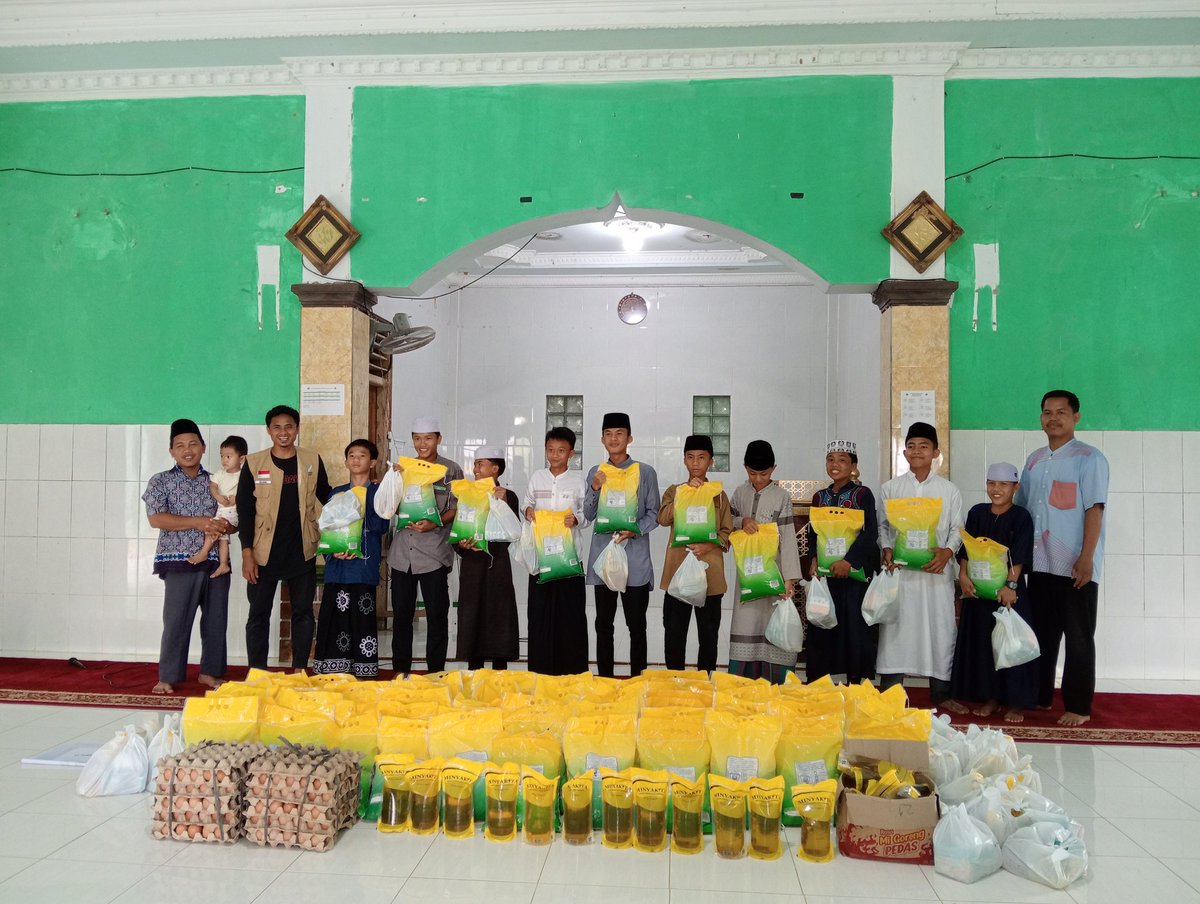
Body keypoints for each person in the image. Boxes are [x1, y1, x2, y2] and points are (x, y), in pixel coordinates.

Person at [1015, 390, 1109, 727]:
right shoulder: (1034, 460)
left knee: (1079, 636)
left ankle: (1079, 706)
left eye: (1061, 412)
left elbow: (1094, 509)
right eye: (1047, 412)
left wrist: (1087, 558)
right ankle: (1040, 696)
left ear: (1075, 417)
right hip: (1040, 564)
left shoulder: (1089, 458)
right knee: (1041, 633)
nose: (1053, 418)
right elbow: (1023, 511)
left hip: (1074, 565)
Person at [142, 419, 234, 694]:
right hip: (178, 561)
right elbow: (156, 519)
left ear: (203, 447)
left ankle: (210, 673)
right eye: (180, 445)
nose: (187, 450)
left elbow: (233, 517)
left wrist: (226, 526)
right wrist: (198, 522)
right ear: (171, 451)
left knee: (216, 620)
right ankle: (168, 676)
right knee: (176, 621)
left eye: (193, 444)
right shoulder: (160, 481)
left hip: (216, 560)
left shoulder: (217, 481)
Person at [877, 422, 964, 708]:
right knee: (896, 630)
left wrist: (947, 553)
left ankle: (942, 694)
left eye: (924, 446)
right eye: (911, 446)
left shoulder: (948, 490)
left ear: (936, 452)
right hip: (900, 575)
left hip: (935, 574)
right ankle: (891, 694)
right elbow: (883, 527)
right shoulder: (891, 488)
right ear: (904, 452)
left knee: (940, 630)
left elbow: (957, 528)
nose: (917, 451)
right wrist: (887, 548)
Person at [237, 404, 331, 670]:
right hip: (263, 553)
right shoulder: (254, 463)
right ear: (268, 430)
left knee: (303, 613)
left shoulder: (312, 460)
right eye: (277, 427)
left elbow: (328, 496)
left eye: (289, 426)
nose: (283, 432)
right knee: (258, 614)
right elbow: (245, 511)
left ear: (297, 429)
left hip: (302, 550)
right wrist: (247, 553)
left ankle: (300, 668)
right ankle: (257, 672)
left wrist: (359, 493)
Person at [373, 416, 463, 674]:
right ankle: (401, 672)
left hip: (434, 553)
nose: (422, 444)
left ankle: (436, 673)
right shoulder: (403, 467)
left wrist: (435, 523)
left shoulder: (451, 470)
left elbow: (457, 508)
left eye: (428, 438)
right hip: (402, 554)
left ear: (438, 439)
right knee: (402, 617)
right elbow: (389, 506)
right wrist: (388, 483)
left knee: (437, 617)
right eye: (417, 438)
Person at [951, 462, 1039, 722]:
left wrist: (1011, 586)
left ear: (1015, 487)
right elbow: (967, 548)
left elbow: (1019, 554)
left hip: (1007, 592)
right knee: (984, 644)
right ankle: (990, 697)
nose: (996, 489)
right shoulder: (977, 512)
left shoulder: (1021, 516)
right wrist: (963, 576)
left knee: (1011, 644)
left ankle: (1016, 703)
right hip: (978, 592)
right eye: (992, 483)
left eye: (1003, 484)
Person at [583, 412, 661, 678]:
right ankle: (605, 680)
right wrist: (595, 488)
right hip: (604, 559)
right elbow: (588, 514)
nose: (614, 439)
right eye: (608, 434)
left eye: (619, 434)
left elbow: (654, 513)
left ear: (629, 438)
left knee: (636, 625)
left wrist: (635, 529)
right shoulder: (596, 472)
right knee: (603, 624)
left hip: (635, 559)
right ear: (602, 439)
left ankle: (638, 681)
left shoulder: (645, 472)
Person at [727, 440, 804, 683]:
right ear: (745, 468)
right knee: (746, 623)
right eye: (753, 473)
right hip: (747, 575)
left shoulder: (782, 497)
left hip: (775, 574)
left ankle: (776, 688)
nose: (758, 479)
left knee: (773, 623)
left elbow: (789, 538)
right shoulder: (739, 493)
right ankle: (742, 687)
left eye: (764, 473)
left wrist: (789, 579)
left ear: (774, 469)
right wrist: (742, 521)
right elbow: (727, 521)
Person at [804, 439, 880, 684]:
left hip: (854, 576)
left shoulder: (862, 494)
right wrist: (814, 560)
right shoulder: (819, 497)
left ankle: (856, 683)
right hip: (826, 576)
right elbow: (813, 534)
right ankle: (820, 682)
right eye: (830, 459)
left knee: (855, 629)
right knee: (822, 625)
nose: (835, 464)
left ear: (853, 465)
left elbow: (870, 533)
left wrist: (849, 562)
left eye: (842, 460)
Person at [312, 439, 388, 678]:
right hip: (337, 567)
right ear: (345, 462)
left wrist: (366, 500)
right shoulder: (336, 493)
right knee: (334, 618)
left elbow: (381, 526)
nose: (356, 459)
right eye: (351, 455)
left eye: (362, 455)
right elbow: (327, 527)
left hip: (363, 567)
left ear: (372, 462)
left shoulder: (378, 491)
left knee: (362, 619)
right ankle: (333, 669)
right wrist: (332, 551)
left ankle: (364, 669)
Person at [658, 435, 733, 673]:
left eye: (701, 457)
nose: (696, 463)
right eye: (690, 457)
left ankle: (705, 681)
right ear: (684, 460)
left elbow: (727, 531)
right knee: (674, 633)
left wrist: (710, 545)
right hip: (677, 572)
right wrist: (685, 494)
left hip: (710, 573)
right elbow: (663, 519)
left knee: (709, 634)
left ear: (711, 461)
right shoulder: (674, 491)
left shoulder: (718, 494)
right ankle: (675, 681)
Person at [523, 427, 590, 675]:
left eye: (561, 451)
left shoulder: (578, 481)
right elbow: (526, 504)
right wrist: (528, 512)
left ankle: (572, 672)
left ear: (571, 453)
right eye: (550, 450)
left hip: (569, 559)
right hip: (542, 558)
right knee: (539, 616)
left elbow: (586, 515)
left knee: (571, 616)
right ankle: (540, 671)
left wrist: (577, 520)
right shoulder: (537, 477)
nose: (554, 455)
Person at [455, 446, 520, 670]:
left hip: (497, 565)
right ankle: (474, 670)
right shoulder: (467, 494)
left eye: (480, 464)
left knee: (498, 615)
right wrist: (460, 544)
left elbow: (513, 531)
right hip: (472, 565)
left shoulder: (508, 495)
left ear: (495, 468)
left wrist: (502, 502)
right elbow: (459, 528)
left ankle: (500, 671)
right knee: (472, 614)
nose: (475, 469)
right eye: (475, 464)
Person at [186, 435, 247, 577]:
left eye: (228, 456)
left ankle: (203, 553)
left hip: (233, 512)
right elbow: (213, 487)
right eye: (222, 456)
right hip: (222, 510)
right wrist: (218, 497)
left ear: (241, 459)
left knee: (213, 528)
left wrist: (237, 498)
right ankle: (223, 564)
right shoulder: (220, 473)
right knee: (222, 538)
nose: (224, 460)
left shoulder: (244, 475)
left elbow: (250, 493)